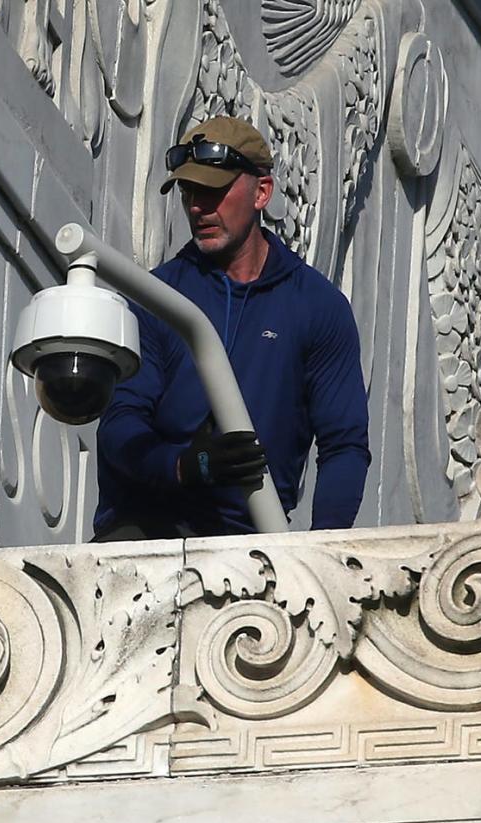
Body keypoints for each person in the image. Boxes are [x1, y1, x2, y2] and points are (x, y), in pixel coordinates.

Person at [93, 115, 370, 540]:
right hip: (141, 532)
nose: (198, 207)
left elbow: (344, 446)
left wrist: (319, 554)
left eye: (214, 191)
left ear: (262, 192)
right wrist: (186, 465)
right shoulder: (155, 297)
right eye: (189, 192)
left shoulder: (318, 307)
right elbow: (119, 425)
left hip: (254, 545)